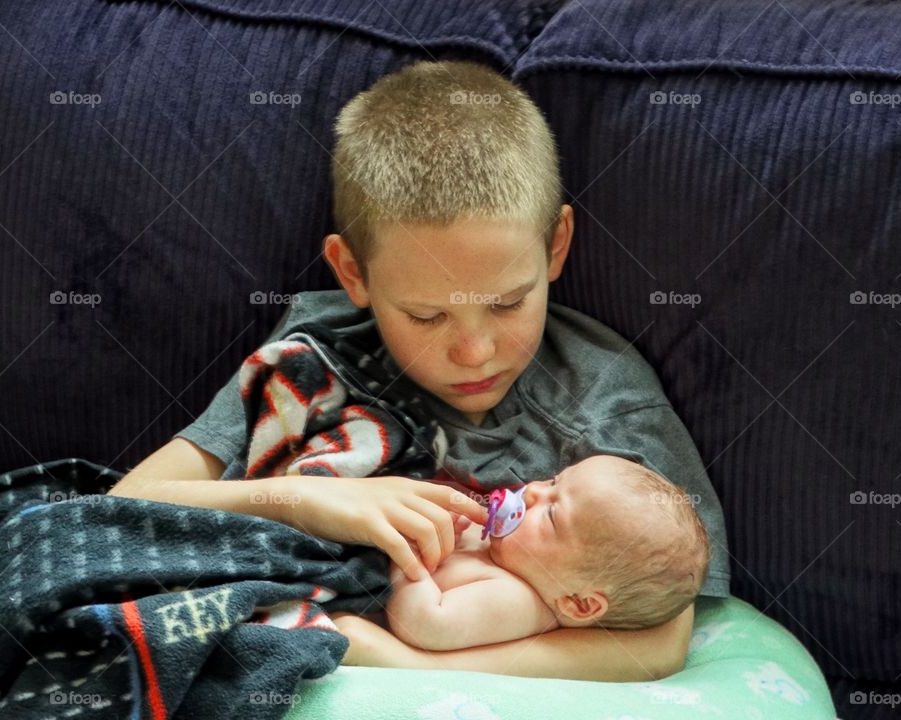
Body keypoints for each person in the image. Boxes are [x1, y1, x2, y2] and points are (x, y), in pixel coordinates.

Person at [108, 59, 730, 681]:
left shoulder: (606, 400)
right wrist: (318, 502)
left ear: (555, 246)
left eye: (508, 303)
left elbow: (659, 642)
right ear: (353, 273)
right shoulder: (315, 352)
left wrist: (409, 665)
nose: (475, 352)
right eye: (428, 316)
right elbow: (127, 504)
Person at [383, 455, 711, 651]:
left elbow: (424, 624)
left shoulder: (519, 600)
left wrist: (412, 552)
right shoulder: (509, 553)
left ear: (579, 604)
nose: (533, 491)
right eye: (554, 481)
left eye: (552, 514)